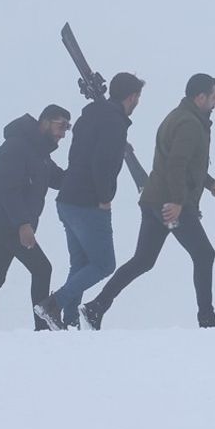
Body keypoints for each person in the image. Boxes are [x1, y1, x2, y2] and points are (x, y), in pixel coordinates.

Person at [80, 74, 215, 329]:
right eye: (213, 96)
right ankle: (207, 318)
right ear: (200, 97)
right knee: (204, 254)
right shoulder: (189, 124)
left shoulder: (180, 117)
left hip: (154, 201)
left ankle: (96, 307)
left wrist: (209, 184)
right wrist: (177, 203)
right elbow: (177, 164)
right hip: (170, 204)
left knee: (142, 260)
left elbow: (183, 162)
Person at [36, 72, 143, 329]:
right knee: (104, 264)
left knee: (82, 265)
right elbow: (102, 163)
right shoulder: (115, 123)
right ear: (131, 97)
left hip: (68, 199)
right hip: (89, 202)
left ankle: (71, 321)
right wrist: (105, 197)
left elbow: (81, 155)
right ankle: (54, 304)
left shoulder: (89, 116)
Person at [0, 106, 70, 332]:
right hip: (7, 222)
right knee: (42, 268)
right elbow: (6, 188)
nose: (63, 133)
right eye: (61, 126)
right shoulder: (16, 146)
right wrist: (23, 224)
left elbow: (60, 179)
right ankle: (42, 328)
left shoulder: (39, 153)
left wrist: (85, 168)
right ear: (44, 122)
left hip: (7, 222)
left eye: (67, 128)